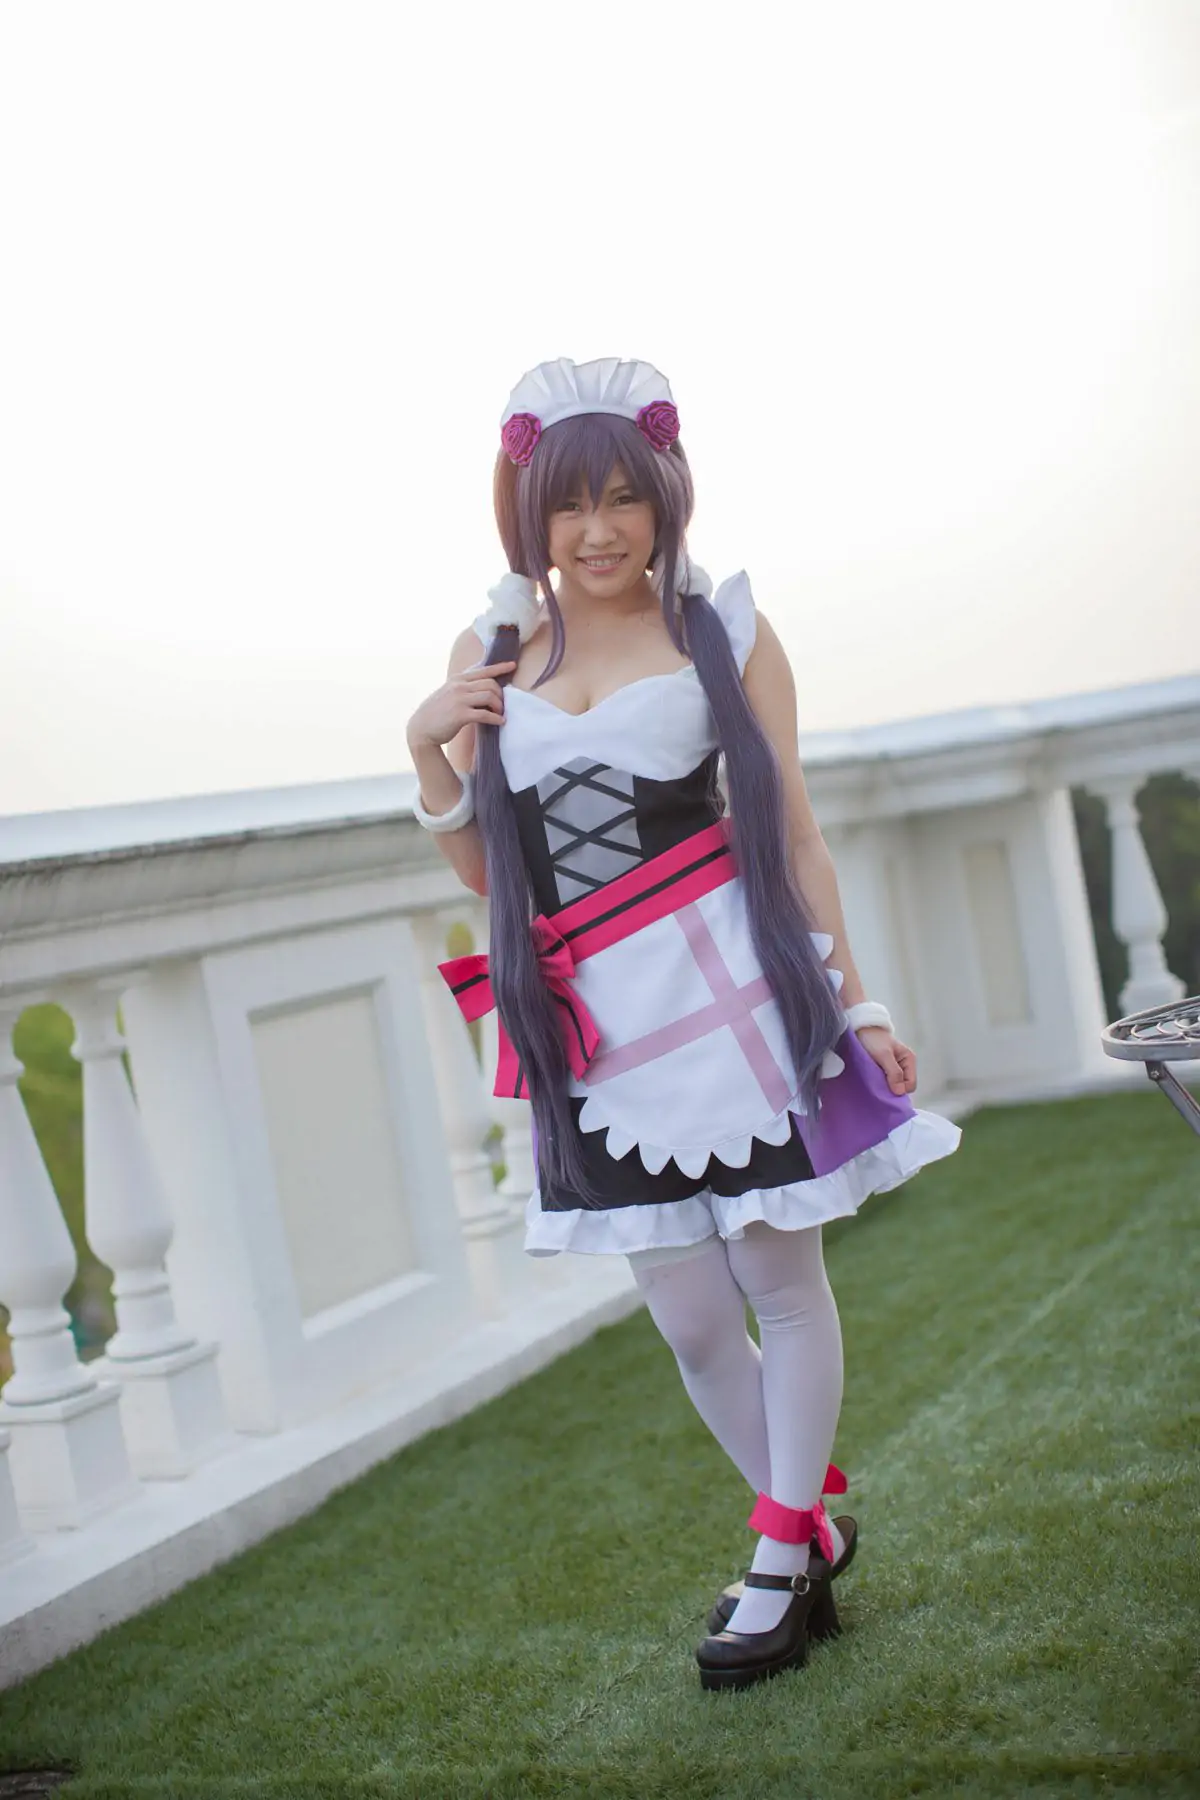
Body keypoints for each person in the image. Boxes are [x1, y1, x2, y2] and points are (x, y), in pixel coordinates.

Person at [405, 355, 961, 1692]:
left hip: (737, 1000)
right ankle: (810, 1529)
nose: (597, 531)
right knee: (695, 1324)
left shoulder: (726, 631)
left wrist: (860, 1003)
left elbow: (799, 835)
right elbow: (487, 873)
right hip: (592, 1030)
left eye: (622, 498)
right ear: (526, 514)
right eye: (567, 505)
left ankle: (778, 1560)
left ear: (664, 497)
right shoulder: (491, 652)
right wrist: (427, 751)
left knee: (781, 1283)